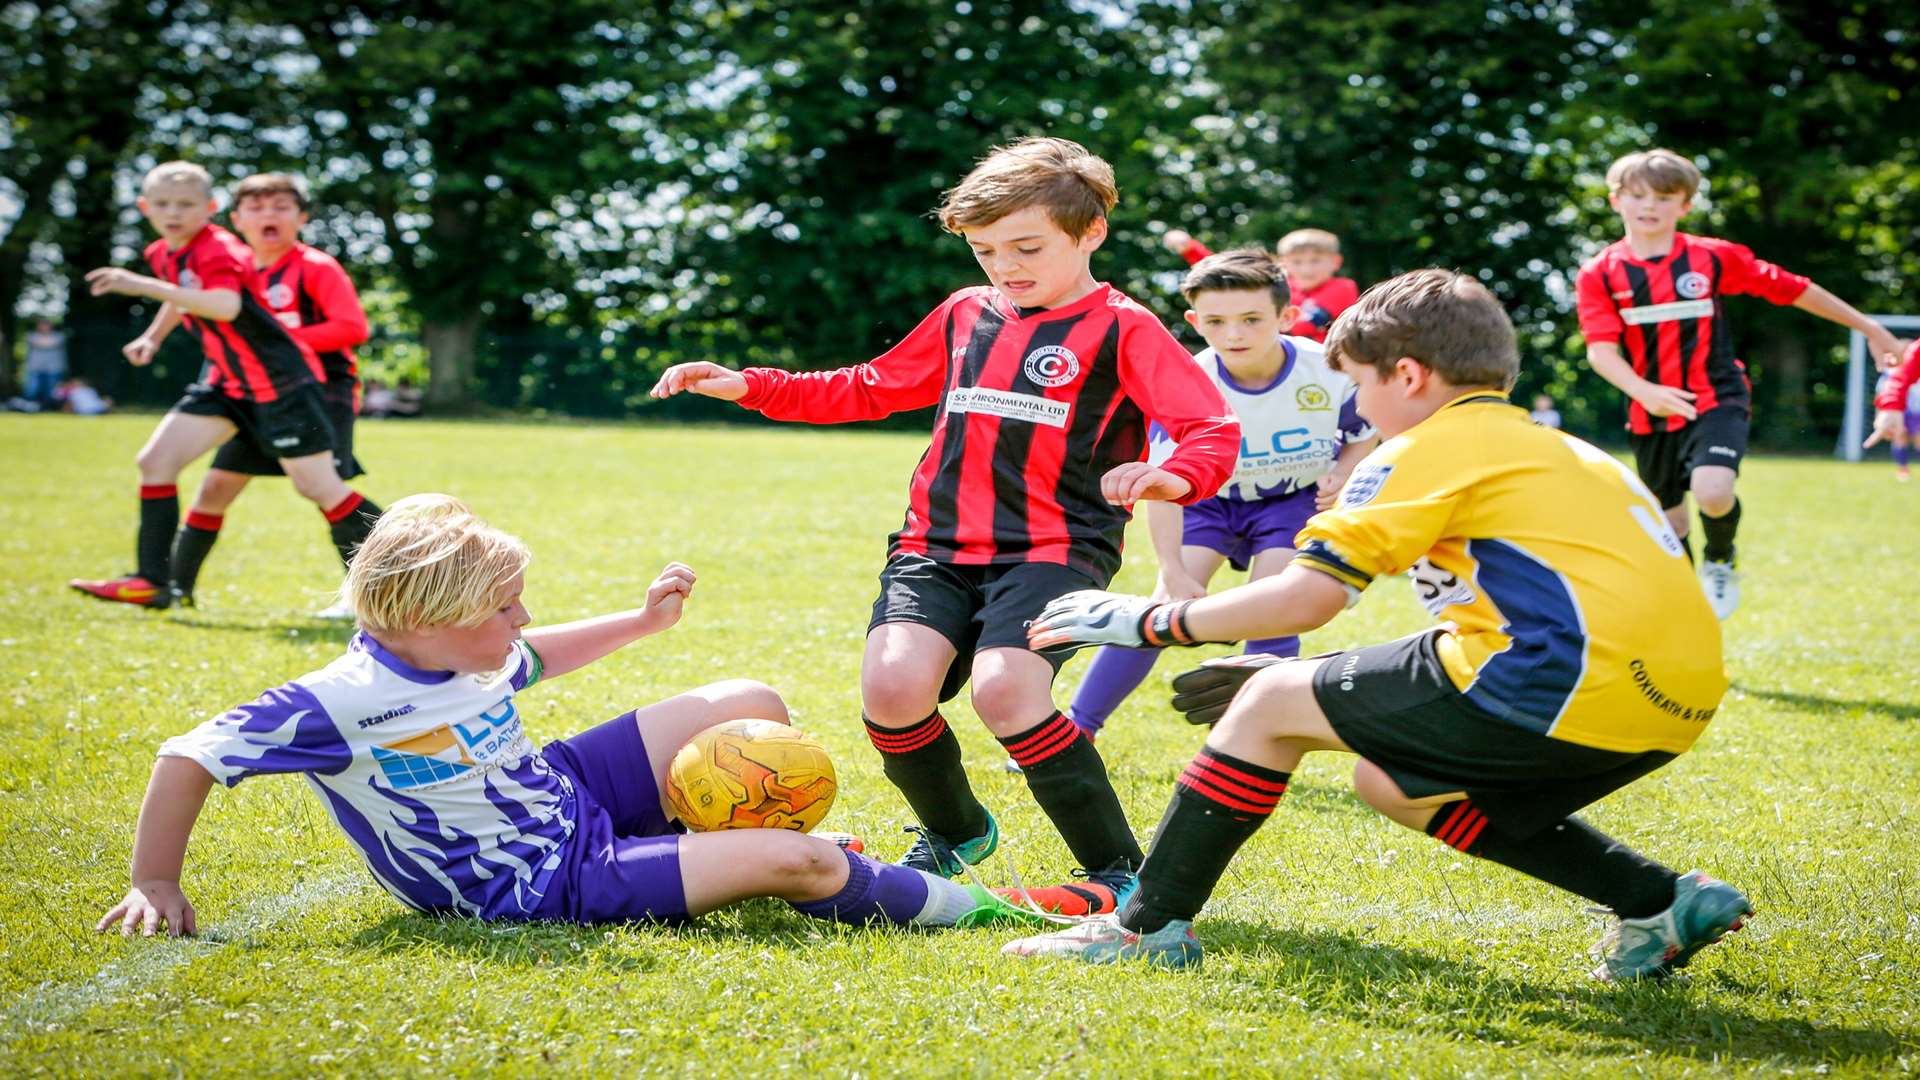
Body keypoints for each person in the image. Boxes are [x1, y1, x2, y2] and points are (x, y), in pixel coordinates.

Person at [1003, 269, 1752, 982]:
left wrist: (1156, 619)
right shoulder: (1567, 451)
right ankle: (1659, 902)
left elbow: (1307, 600)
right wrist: (1297, 674)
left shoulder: (1422, 447)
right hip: (1675, 703)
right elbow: (1527, 616)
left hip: (1562, 681)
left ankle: (1145, 927)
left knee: (1267, 711)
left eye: (1359, 384)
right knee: (1396, 783)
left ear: (1408, 376)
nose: (1358, 407)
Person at [651, 137, 1240, 916]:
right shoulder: (967, 314)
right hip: (933, 545)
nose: (1006, 266)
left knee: (1006, 691)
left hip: (1055, 548)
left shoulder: (1125, 330)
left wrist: (1174, 475)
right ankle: (957, 832)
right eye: (987, 249)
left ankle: (1120, 869)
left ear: (1091, 231)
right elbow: (871, 386)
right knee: (892, 690)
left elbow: (1210, 429)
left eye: (1027, 247)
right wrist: (753, 385)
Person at [96, 494, 1009, 936]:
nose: (521, 620)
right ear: (425, 621)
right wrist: (155, 880)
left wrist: (646, 623)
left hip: (560, 792)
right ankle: (981, 910)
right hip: (532, 880)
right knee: (800, 859)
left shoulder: (464, 650)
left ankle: (702, 851)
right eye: (504, 607)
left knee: (751, 703)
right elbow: (190, 755)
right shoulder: (338, 703)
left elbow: (542, 654)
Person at [1575, 148, 1903, 619]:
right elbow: (1600, 350)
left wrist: (1868, 326)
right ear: (1615, 200)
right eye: (1638, 195)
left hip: (1717, 398)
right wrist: (1645, 392)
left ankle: (1722, 559)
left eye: (1665, 197)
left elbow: (1793, 288)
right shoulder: (1600, 273)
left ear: (1685, 205)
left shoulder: (1710, 258)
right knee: (1670, 527)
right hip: (1650, 410)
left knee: (1712, 490)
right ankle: (1686, 616)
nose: (1650, 206)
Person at [1063, 249, 1375, 741]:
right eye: (1217, 321)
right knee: (1156, 614)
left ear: (1286, 316)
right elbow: (1163, 487)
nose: (1235, 334)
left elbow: (1363, 434)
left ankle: (1258, 736)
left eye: (1252, 319)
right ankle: (1079, 727)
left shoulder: (1328, 370)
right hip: (1208, 501)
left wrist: (1343, 471)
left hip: (1291, 501)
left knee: (1274, 605)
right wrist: (1173, 571)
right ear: (1193, 320)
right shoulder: (1186, 380)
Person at [66, 161, 382, 610]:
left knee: (319, 488)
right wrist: (153, 336)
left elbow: (225, 304)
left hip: (286, 387)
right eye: (162, 204)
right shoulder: (172, 252)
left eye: (185, 204)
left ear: (209, 209)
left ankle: (410, 576)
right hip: (228, 387)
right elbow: (185, 294)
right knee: (162, 464)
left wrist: (141, 286)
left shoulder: (238, 253)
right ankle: (156, 582)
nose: (173, 212)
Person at [160, 173, 373, 614]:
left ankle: (372, 593)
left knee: (319, 489)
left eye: (280, 207)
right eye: (256, 208)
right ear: (236, 219)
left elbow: (353, 328)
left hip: (316, 392)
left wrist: (282, 339)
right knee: (214, 488)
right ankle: (173, 590)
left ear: (302, 217)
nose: (268, 216)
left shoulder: (315, 267)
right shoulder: (228, 269)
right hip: (250, 397)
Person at [1163, 228, 1360, 343]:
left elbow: (1307, 325)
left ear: (1336, 261)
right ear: (1284, 263)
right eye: (1298, 262)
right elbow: (1230, 270)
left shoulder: (1342, 287)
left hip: (1326, 367)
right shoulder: (1280, 283)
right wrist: (1190, 249)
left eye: (1316, 260)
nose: (1307, 269)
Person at [1865, 339, 1920, 480]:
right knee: (1899, 436)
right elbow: (1883, 396)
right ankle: (1902, 469)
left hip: (1916, 410)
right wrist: (1883, 413)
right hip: (1900, 411)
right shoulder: (1889, 375)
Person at [24, 318, 68, 407]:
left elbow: (50, 343)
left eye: (46, 325)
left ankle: (48, 407)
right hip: (35, 368)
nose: (44, 327)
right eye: (42, 325)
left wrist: (43, 343)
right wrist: (46, 343)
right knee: (32, 389)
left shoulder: (59, 336)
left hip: (53, 368)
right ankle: (30, 406)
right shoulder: (32, 336)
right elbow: (44, 343)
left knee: (51, 391)